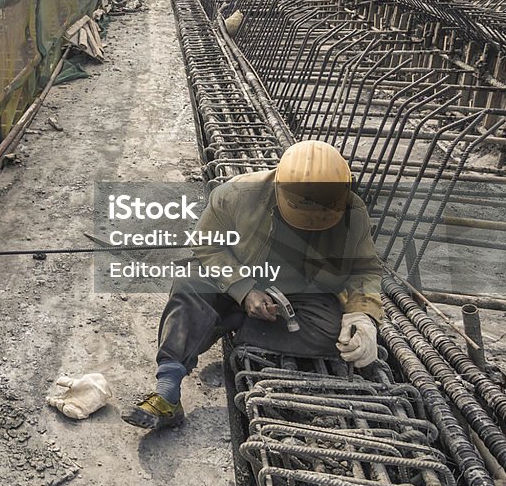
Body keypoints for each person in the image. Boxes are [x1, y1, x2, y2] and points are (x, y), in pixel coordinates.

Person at [122, 140, 383, 431]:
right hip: (237, 277)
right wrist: (244, 289)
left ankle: (225, 323)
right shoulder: (236, 195)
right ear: (280, 189)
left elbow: (364, 269)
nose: (313, 220)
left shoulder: (353, 212)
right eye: (305, 211)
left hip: (300, 296)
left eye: (323, 213)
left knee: (339, 336)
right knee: (189, 284)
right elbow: (206, 244)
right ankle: (168, 388)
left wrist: (363, 315)